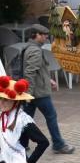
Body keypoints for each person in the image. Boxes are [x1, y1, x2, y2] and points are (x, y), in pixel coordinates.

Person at [23, 24, 75, 154]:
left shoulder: (30, 47)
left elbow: (38, 70)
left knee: (25, 119)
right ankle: (58, 144)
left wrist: (49, 80)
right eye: (43, 35)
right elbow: (30, 72)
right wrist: (28, 95)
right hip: (38, 93)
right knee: (51, 116)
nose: (46, 37)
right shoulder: (35, 50)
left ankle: (22, 144)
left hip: (33, 92)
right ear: (36, 35)